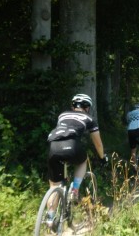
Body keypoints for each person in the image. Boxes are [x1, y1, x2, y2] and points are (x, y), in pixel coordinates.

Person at [45, 93, 107, 225]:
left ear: (73, 106)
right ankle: (75, 189)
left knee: (54, 186)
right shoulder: (89, 118)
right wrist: (102, 157)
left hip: (53, 147)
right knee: (83, 160)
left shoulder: (62, 115)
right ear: (87, 107)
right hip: (72, 145)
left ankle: (50, 217)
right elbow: (98, 143)